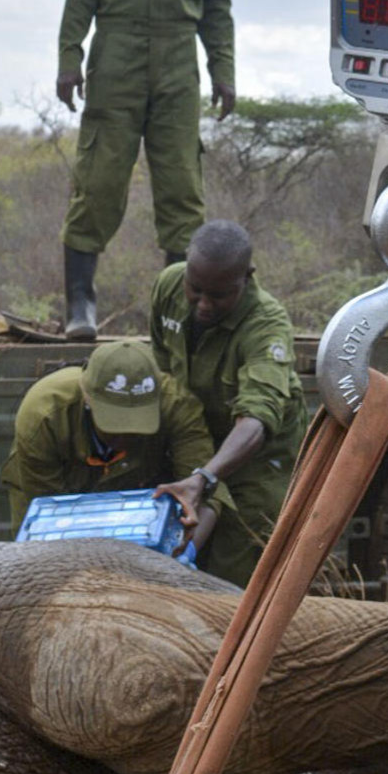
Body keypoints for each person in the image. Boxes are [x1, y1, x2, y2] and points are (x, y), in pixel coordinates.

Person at [55, 0, 236, 341]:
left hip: (179, 61)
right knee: (100, 180)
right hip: (117, 54)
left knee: (182, 190)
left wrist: (223, 68)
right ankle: (80, 305)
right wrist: (70, 55)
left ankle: (175, 314)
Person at [149, 219, 307, 588]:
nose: (203, 304)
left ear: (247, 277)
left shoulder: (266, 324)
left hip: (256, 459)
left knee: (232, 570)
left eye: (218, 295)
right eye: (196, 289)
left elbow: (256, 421)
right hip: (198, 440)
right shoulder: (169, 286)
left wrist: (204, 477)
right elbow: (162, 369)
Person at [0, 338, 221, 562]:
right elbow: (48, 519)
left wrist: (183, 554)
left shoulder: (177, 405)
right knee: (40, 568)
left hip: (141, 503)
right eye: (114, 426)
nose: (124, 438)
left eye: (136, 428)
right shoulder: (45, 414)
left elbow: (207, 495)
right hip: (56, 502)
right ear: (87, 398)